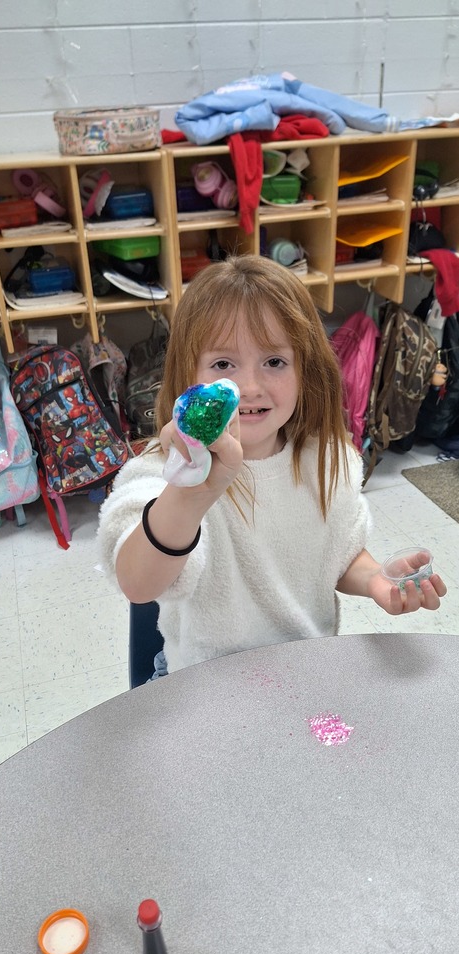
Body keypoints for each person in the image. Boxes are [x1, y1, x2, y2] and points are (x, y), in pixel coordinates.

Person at [98, 255, 447, 679]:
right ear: (189, 373)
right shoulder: (165, 469)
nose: (248, 387)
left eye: (274, 362)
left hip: (305, 675)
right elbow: (137, 582)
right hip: (205, 686)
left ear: (306, 370)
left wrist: (376, 578)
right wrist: (189, 494)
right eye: (223, 364)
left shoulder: (328, 460)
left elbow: (335, 552)